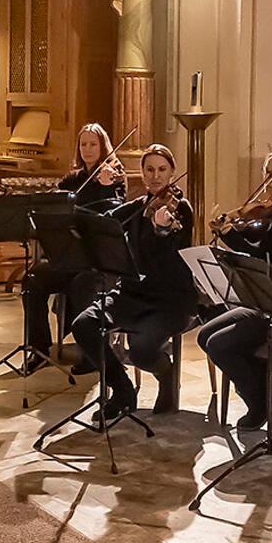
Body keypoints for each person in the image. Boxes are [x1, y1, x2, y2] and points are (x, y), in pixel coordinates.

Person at [70, 144, 198, 420]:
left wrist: (161, 228)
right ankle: (122, 388)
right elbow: (101, 221)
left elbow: (167, 244)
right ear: (141, 173)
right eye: (149, 169)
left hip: (169, 300)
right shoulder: (139, 206)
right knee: (84, 325)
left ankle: (165, 372)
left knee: (140, 350)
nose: (155, 176)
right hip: (132, 294)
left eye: (162, 170)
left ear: (172, 172)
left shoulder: (180, 209)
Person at [197, 148, 272, 431]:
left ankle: (261, 400)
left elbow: (261, 257)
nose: (267, 178)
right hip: (265, 304)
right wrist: (231, 230)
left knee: (219, 344)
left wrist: (230, 235)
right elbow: (255, 240)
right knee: (204, 336)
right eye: (267, 171)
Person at [14, 123, 123, 371]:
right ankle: (39, 348)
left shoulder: (114, 179)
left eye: (93, 144)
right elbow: (54, 203)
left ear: (103, 146)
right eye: (83, 144)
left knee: (82, 284)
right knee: (32, 279)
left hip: (98, 262)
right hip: (71, 257)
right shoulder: (73, 178)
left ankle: (91, 353)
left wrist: (104, 186)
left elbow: (115, 217)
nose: (87, 149)